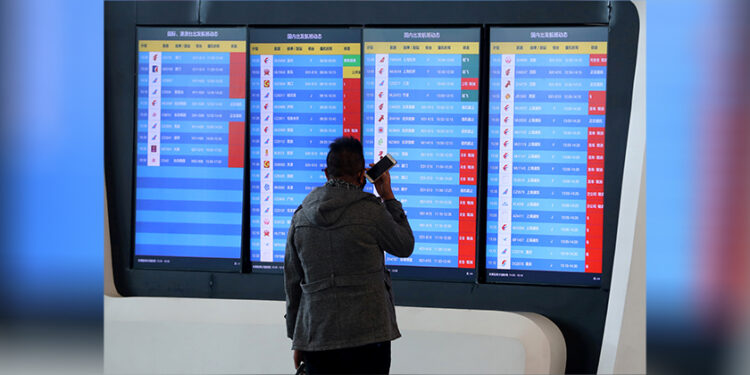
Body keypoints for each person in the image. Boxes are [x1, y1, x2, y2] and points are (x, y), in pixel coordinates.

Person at [284, 137, 415, 374]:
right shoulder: (372, 211)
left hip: (317, 337)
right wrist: (388, 196)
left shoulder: (300, 218)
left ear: (326, 174)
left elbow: (293, 283)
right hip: (370, 338)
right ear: (361, 177)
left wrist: (297, 338)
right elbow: (404, 245)